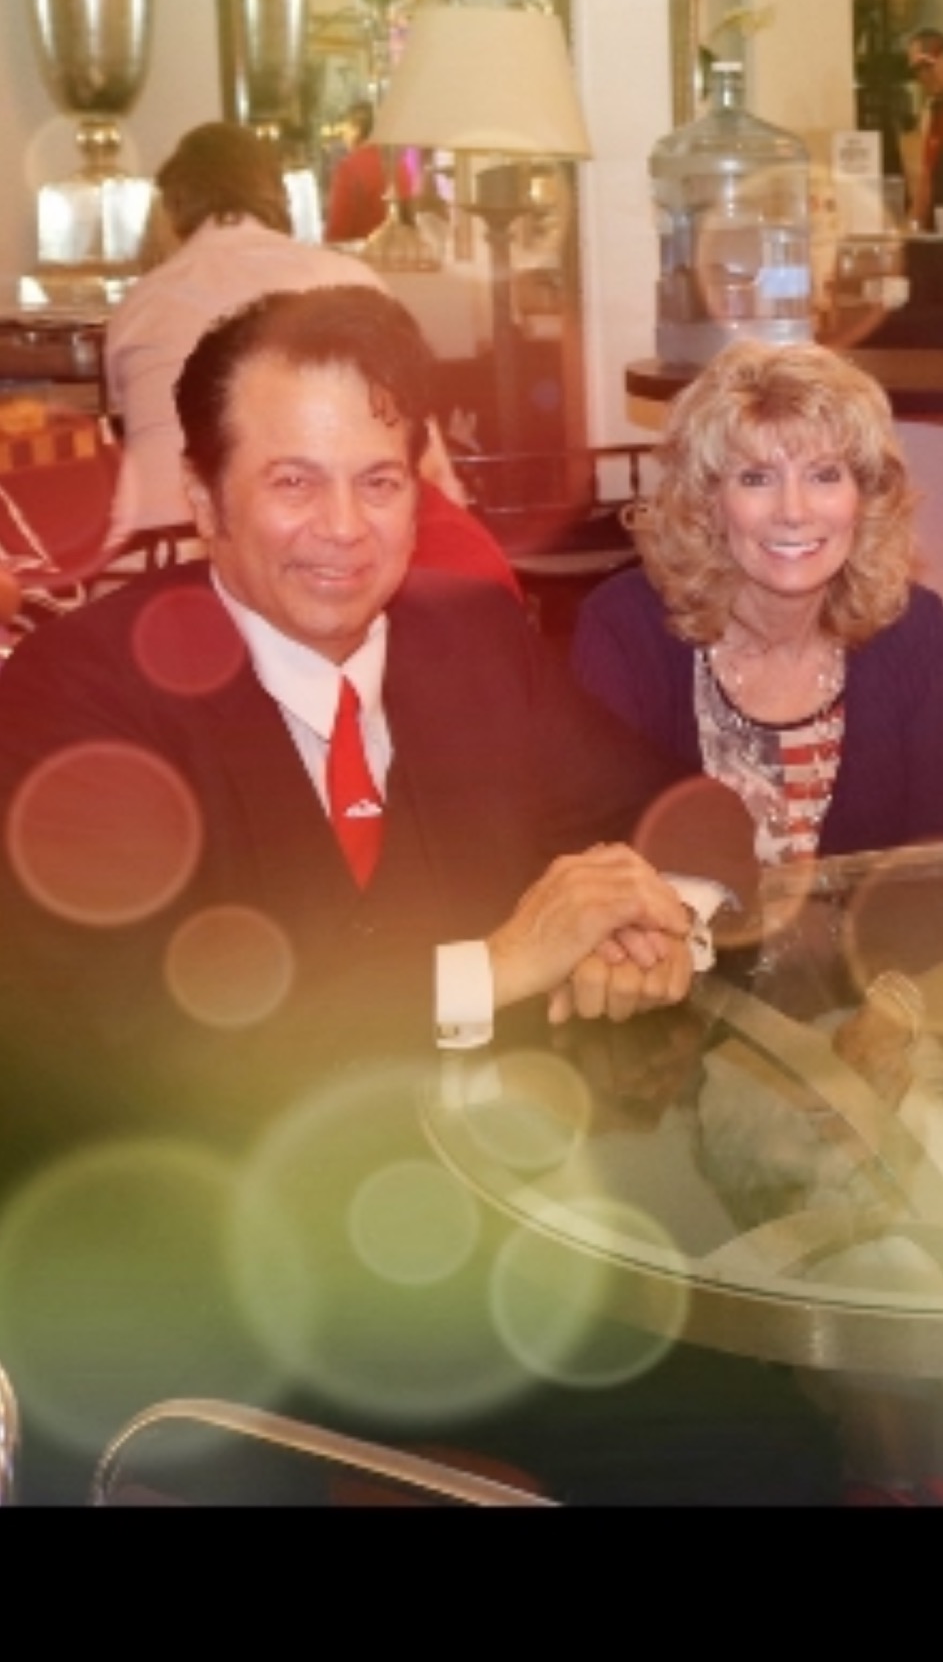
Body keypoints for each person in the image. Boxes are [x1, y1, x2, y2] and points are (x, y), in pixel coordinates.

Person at [0, 287, 841, 1506]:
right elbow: (151, 1033)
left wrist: (658, 914)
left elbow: (685, 812)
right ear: (203, 496)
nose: (343, 528)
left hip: (450, 1239)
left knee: (761, 1443)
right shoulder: (76, 693)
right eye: (293, 481)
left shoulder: (468, 638)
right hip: (183, 1264)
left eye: (379, 481)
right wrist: (497, 964)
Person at [101, 119, 519, 598]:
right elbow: (428, 467)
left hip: (140, 567)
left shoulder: (140, 302)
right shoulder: (344, 277)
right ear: (276, 194)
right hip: (263, 564)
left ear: (173, 205)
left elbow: (128, 429)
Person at [572, 339, 943, 869]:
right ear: (708, 502)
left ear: (863, 498)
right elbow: (604, 866)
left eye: (824, 475)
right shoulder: (625, 632)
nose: (793, 511)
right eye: (756, 478)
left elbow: (929, 872)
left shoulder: (919, 632)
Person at [323, 99, 414, 245]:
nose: (343, 136)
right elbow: (409, 219)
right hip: (396, 252)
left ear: (357, 129)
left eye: (346, 129)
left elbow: (338, 229)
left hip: (360, 253)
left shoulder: (348, 168)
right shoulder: (398, 165)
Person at [906, 27, 943, 229]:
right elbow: (926, 176)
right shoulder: (933, 111)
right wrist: (912, 227)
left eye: (927, 66)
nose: (923, 76)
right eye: (917, 70)